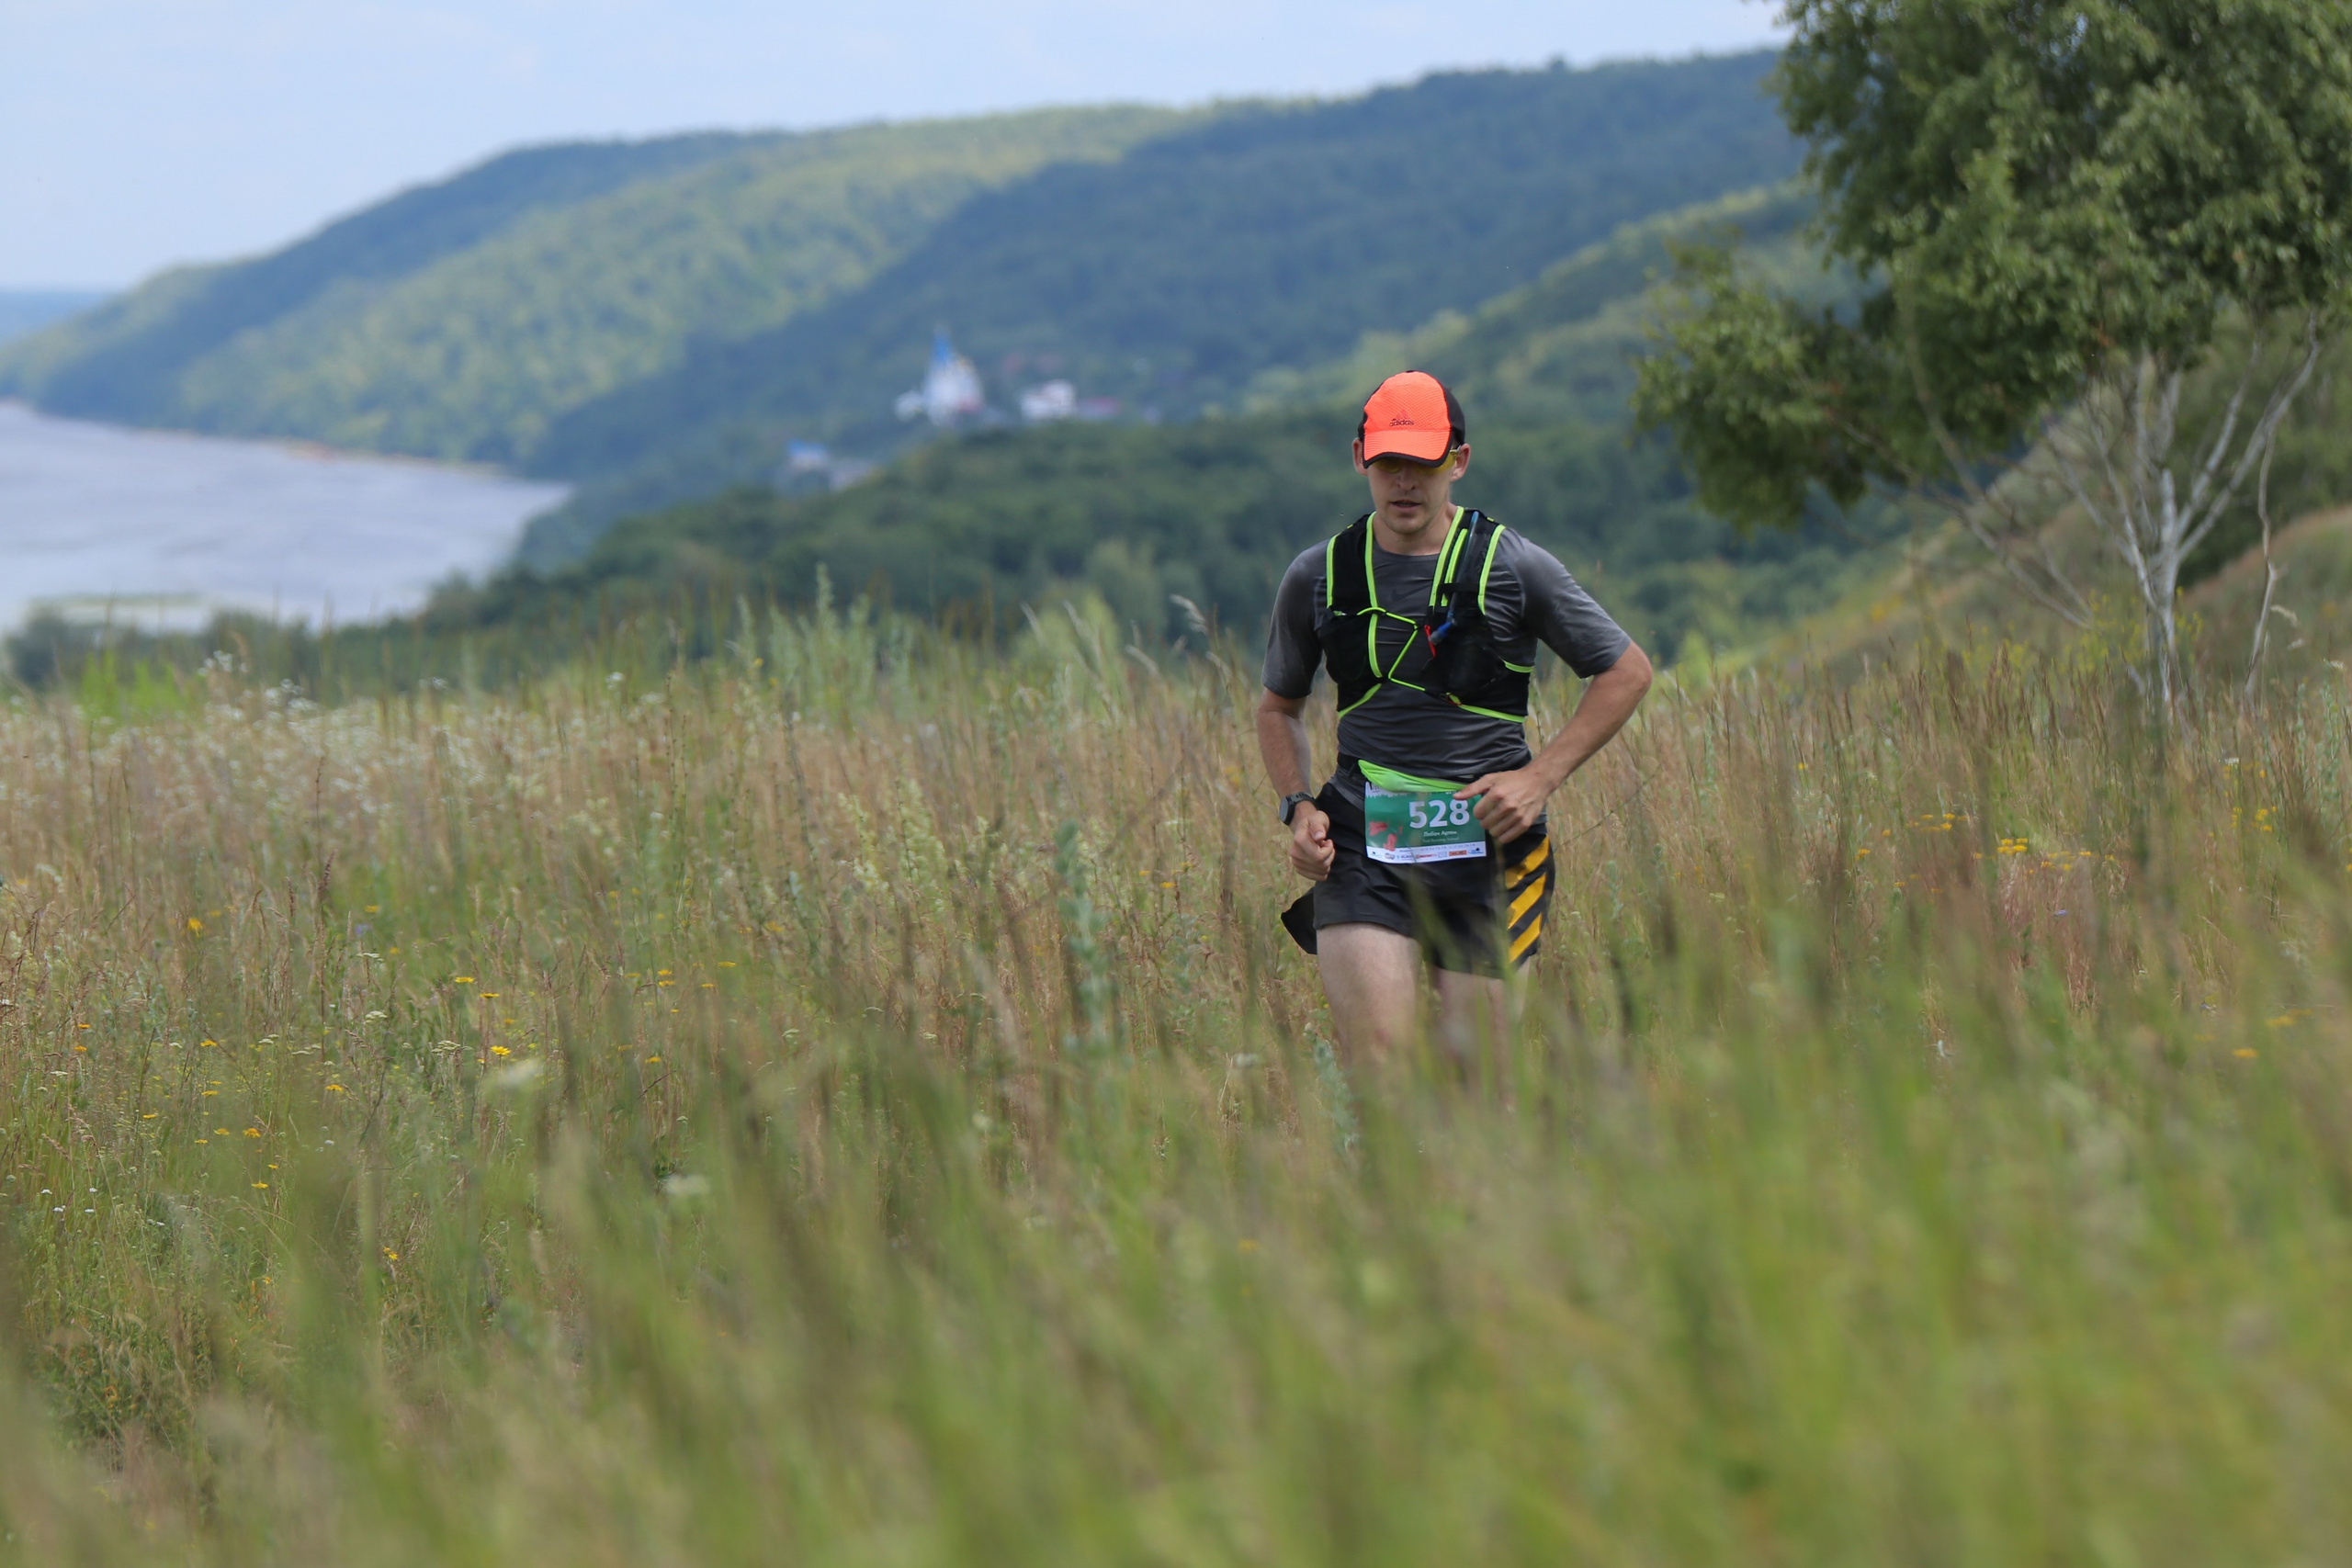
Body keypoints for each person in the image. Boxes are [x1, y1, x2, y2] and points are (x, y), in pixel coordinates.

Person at [1257, 370, 1652, 1063]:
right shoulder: (1318, 575)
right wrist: (1298, 807)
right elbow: (1277, 708)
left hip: (1491, 842)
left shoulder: (1514, 565)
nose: (1405, 481)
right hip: (1364, 838)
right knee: (1381, 1062)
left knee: (1481, 1080)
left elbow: (1627, 670)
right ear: (1361, 459)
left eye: (1424, 461)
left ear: (1459, 461)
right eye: (1389, 462)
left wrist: (1539, 779)